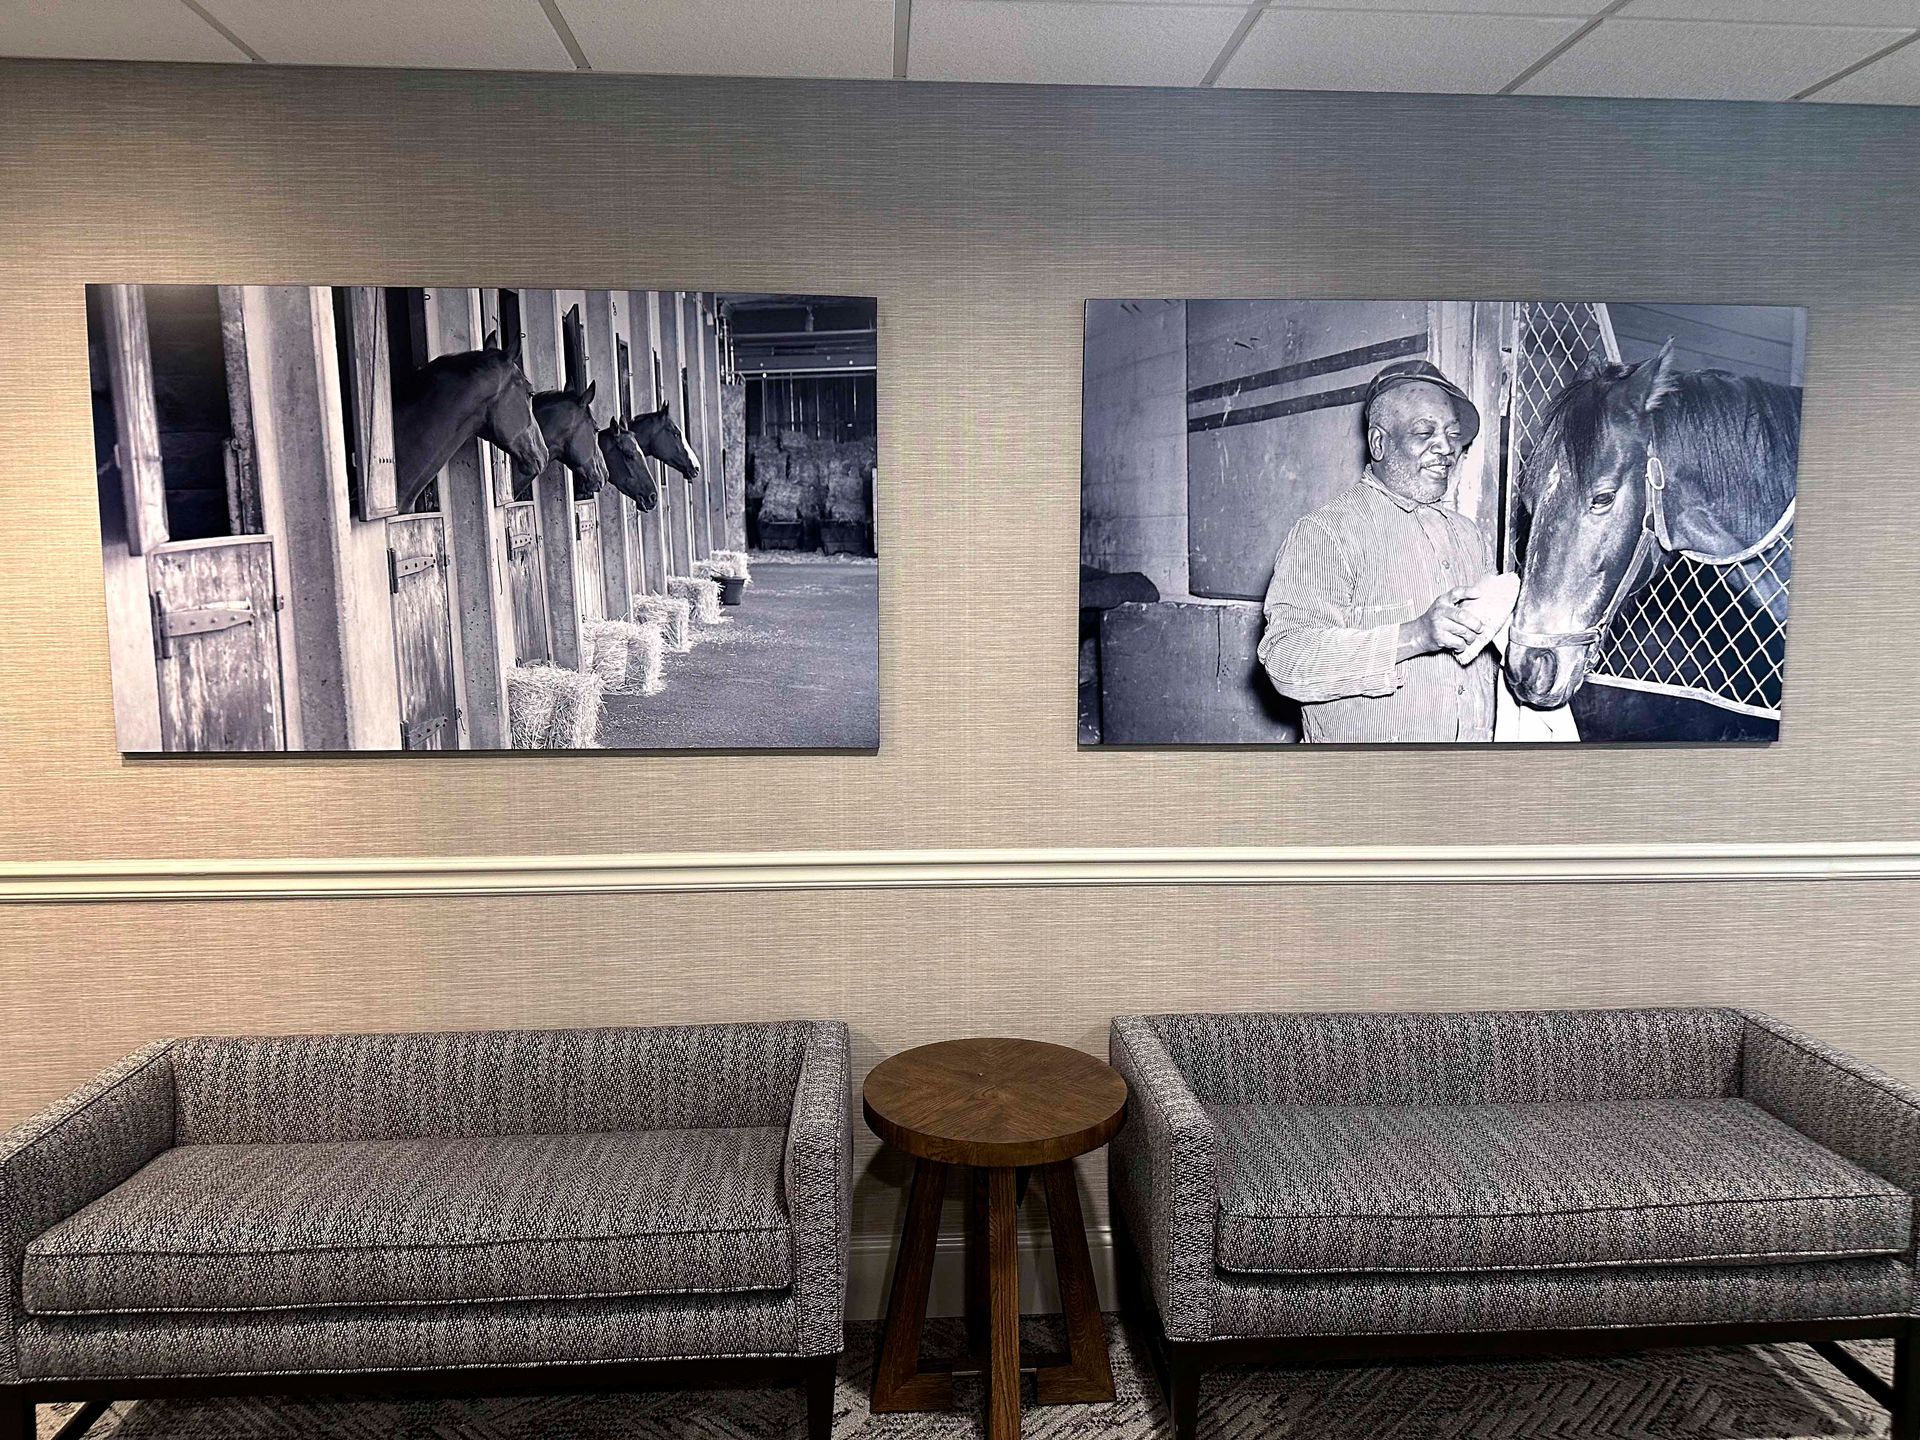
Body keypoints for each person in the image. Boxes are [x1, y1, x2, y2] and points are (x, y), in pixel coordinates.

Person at [1256, 359, 1497, 743]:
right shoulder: (1326, 532)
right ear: (1379, 443)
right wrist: (1417, 635)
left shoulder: (1469, 535)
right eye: (1425, 432)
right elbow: (1287, 660)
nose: (1446, 448)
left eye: (1453, 435)